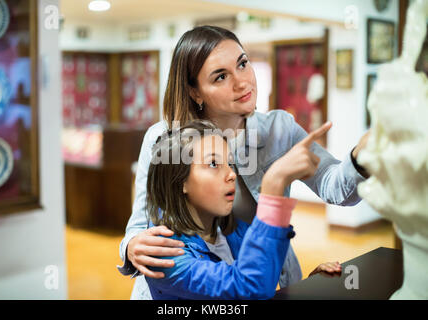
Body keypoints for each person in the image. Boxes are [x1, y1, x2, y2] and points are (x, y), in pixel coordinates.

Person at [118, 25, 368, 299]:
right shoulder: (163, 138)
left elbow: (337, 189)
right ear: (195, 92)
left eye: (243, 64)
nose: (242, 82)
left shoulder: (280, 129)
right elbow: (140, 226)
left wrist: (361, 157)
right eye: (221, 76)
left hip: (258, 281)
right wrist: (131, 247)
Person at [144, 120, 340, 299]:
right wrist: (273, 184)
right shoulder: (164, 255)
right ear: (180, 181)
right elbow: (247, 289)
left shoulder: (239, 231)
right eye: (213, 163)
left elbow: (265, 288)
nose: (231, 174)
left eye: (230, 163)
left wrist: (309, 286)